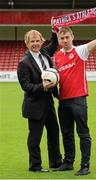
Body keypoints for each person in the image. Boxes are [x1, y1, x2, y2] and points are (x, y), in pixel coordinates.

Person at [53, 7, 96, 176]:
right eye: (62, 37)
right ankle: (68, 163)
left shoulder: (80, 51)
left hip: (79, 100)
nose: (65, 39)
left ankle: (85, 165)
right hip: (63, 100)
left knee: (83, 133)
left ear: (72, 37)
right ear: (59, 39)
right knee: (67, 133)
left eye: (67, 37)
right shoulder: (57, 57)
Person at [17, 28, 62, 172]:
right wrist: (41, 86)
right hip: (35, 105)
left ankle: (55, 162)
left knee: (54, 132)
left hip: (48, 103)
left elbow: (54, 43)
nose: (35, 44)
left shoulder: (45, 53)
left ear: (42, 41)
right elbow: (26, 86)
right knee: (35, 137)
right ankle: (35, 165)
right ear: (26, 43)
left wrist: (54, 29)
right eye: (32, 41)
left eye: (37, 41)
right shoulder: (24, 62)